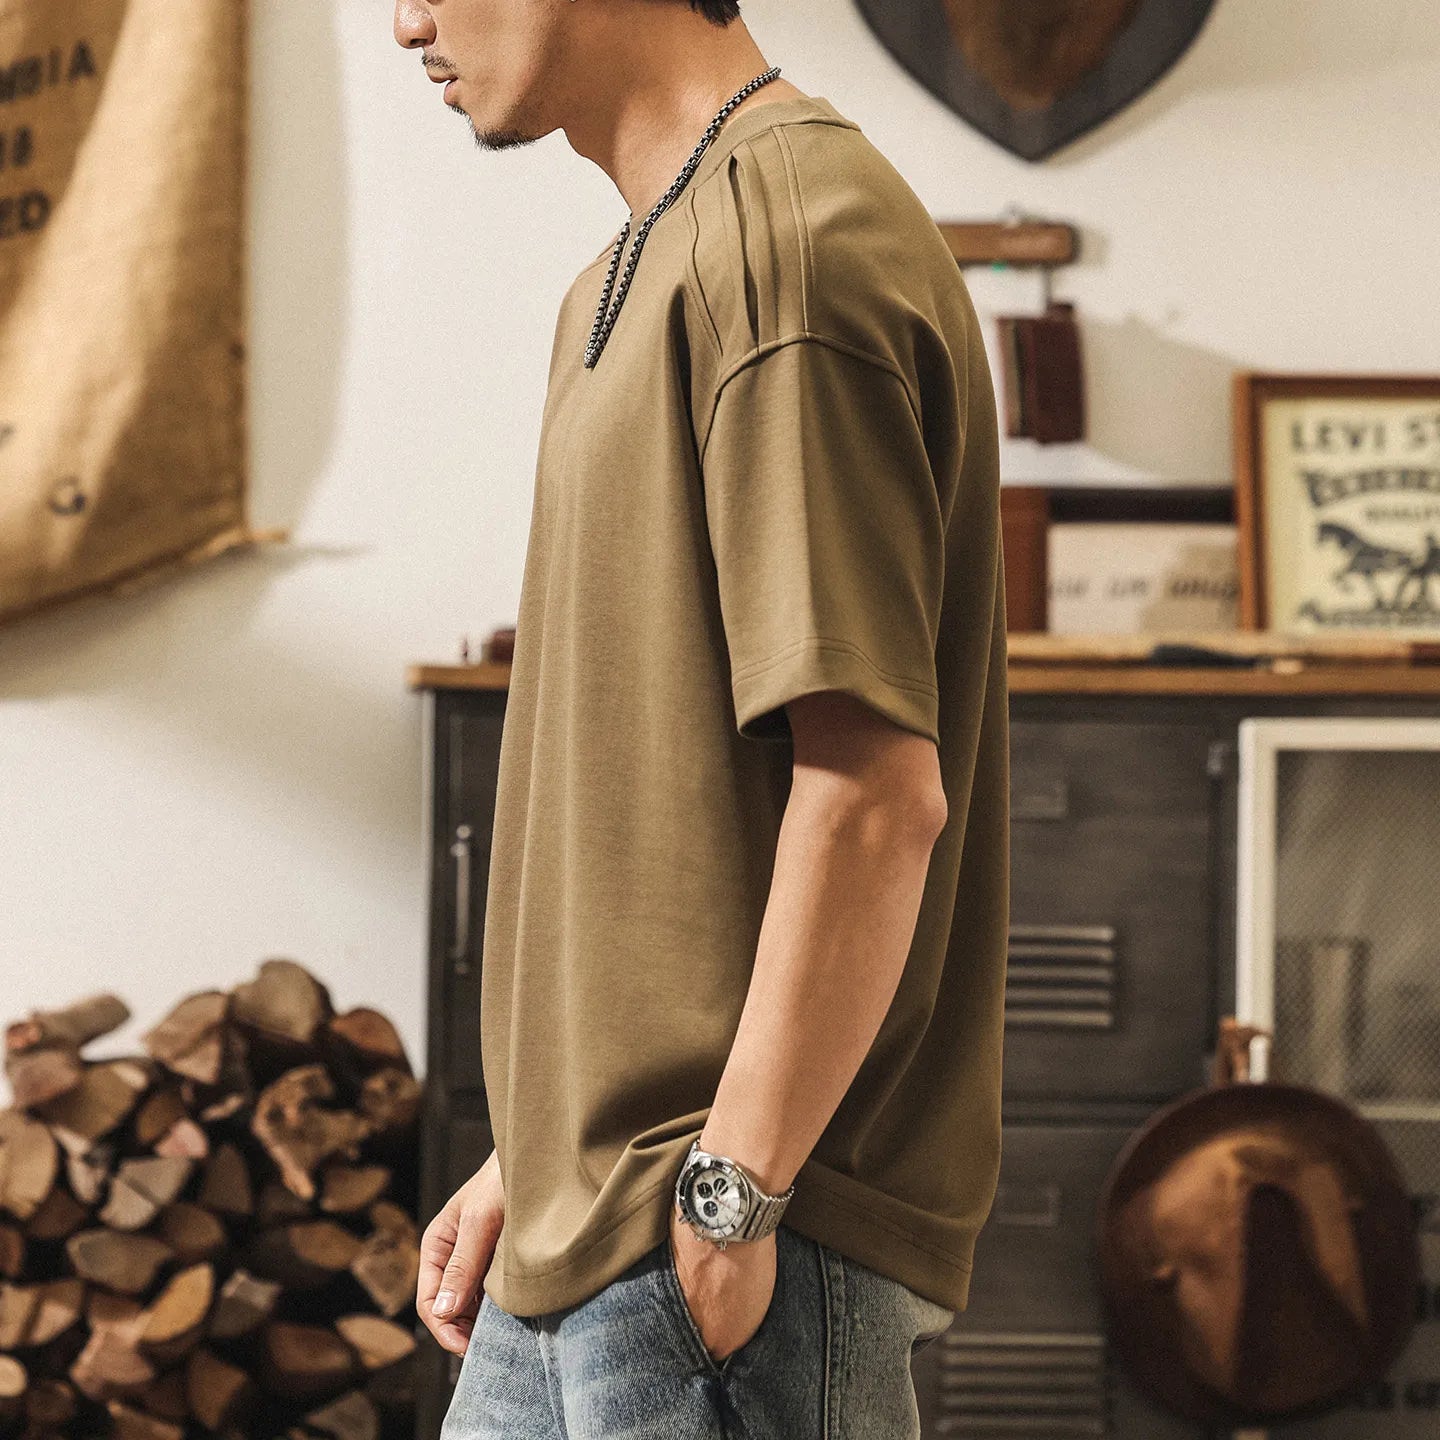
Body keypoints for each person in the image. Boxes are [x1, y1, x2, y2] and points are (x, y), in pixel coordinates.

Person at [391, 2, 1009, 1435]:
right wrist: (543, 1152)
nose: (408, 19)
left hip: (726, 1250)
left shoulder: (786, 251)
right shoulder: (644, 260)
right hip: (601, 1228)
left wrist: (732, 1201)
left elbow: (873, 796)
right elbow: (660, 793)